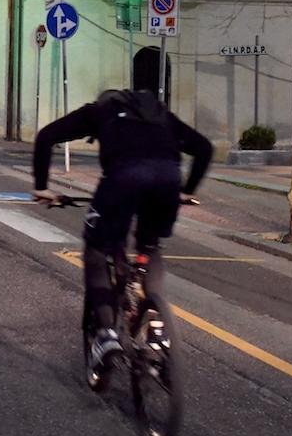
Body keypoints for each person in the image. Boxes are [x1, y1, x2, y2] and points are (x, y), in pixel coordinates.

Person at [32, 58, 213, 384]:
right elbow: (204, 148)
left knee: (96, 250)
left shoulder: (99, 111)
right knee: (149, 248)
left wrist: (43, 187)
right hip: (167, 180)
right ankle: (156, 325)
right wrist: (186, 191)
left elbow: (46, 137)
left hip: (123, 179)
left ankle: (105, 335)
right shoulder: (160, 114)